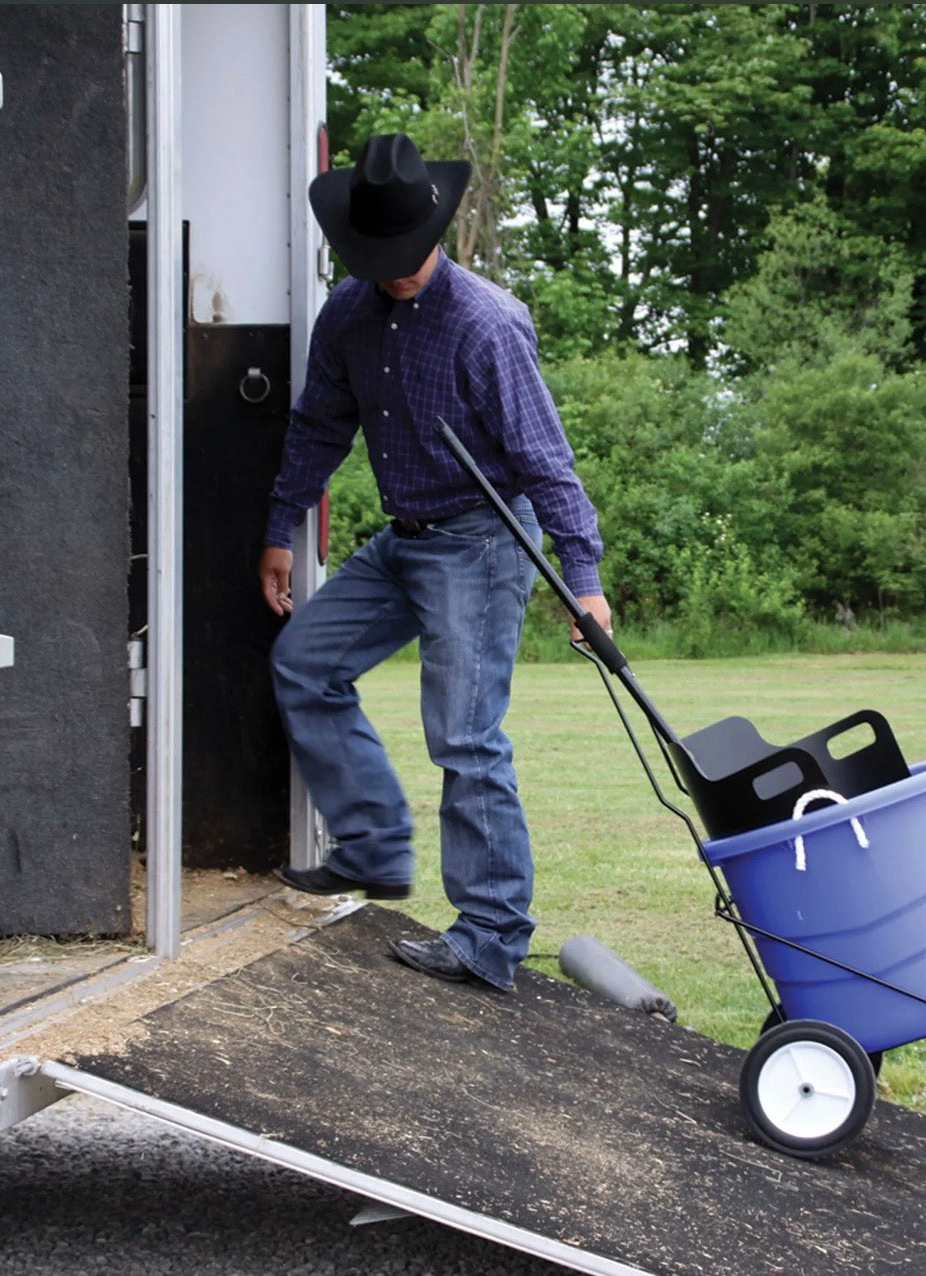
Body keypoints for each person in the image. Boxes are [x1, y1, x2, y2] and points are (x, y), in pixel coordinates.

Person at [260, 133, 611, 992]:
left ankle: (491, 933)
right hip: (405, 539)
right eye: (381, 259)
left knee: (464, 736)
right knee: (305, 663)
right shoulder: (347, 314)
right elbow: (317, 429)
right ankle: (375, 848)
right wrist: (280, 525)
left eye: (407, 258)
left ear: (436, 232)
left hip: (483, 541)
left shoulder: (487, 325)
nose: (396, 272)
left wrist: (585, 580)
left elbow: (544, 461)